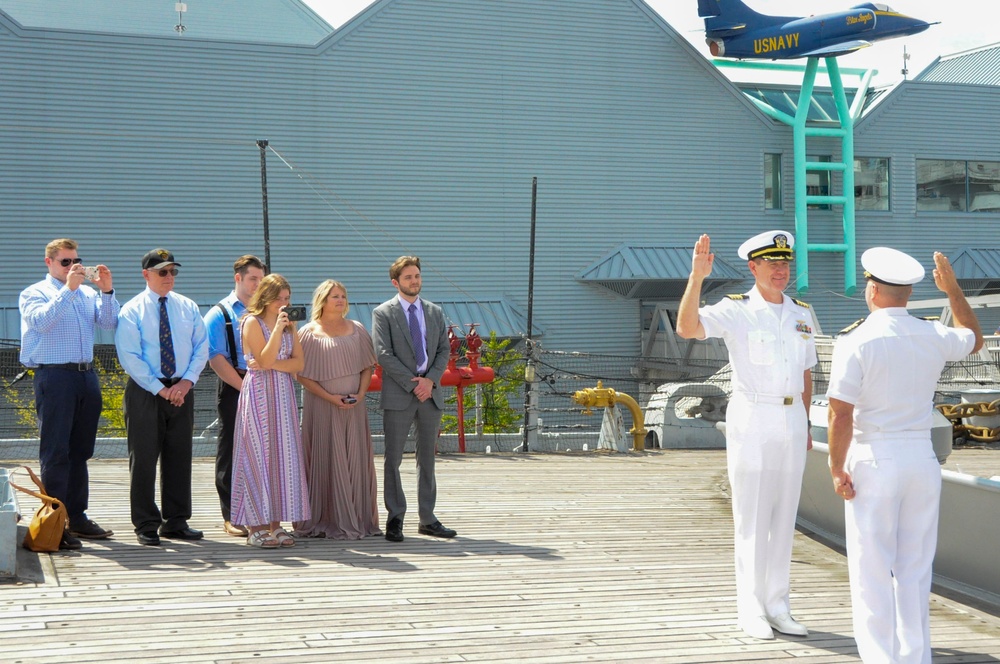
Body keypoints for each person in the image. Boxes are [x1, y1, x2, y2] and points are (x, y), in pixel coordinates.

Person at [827, 248, 982, 664]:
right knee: (914, 568)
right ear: (909, 293)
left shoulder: (855, 339)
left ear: (872, 290)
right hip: (921, 457)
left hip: (875, 457)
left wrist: (836, 467)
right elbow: (974, 338)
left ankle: (881, 658)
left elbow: (840, 413)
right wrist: (953, 292)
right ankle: (916, 657)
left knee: (871, 568)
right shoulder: (932, 333)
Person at [676, 231, 816, 640]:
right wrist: (696, 278)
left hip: (791, 418)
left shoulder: (802, 313)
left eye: (785, 263)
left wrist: (805, 421)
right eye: (771, 263)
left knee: (784, 514)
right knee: (752, 517)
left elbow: (806, 372)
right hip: (753, 414)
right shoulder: (736, 309)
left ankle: (778, 605)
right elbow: (687, 327)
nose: (780, 270)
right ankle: (750, 608)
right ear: (753, 268)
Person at [19, 238, 120, 550]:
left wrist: (107, 291)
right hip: (54, 375)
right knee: (56, 451)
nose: (73, 267)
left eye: (76, 261)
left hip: (85, 374)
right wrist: (69, 290)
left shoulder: (86, 293)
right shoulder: (35, 292)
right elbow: (42, 322)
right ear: (48, 262)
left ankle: (76, 515)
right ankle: (54, 520)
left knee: (81, 450)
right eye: (65, 262)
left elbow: (109, 322)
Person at [115, 249, 209, 546]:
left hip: (181, 389)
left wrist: (187, 382)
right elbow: (129, 356)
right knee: (143, 458)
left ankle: (176, 521)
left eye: (173, 272)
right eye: (163, 272)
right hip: (146, 391)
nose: (169, 277)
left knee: (179, 456)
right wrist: (161, 388)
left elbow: (201, 347)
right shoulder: (132, 310)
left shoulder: (188, 307)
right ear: (146, 275)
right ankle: (145, 522)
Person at [371, 255, 454, 542]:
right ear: (396, 282)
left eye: (416, 276)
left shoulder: (434, 311)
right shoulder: (383, 313)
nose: (414, 281)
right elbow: (383, 354)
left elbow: (444, 350)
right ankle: (395, 519)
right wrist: (414, 384)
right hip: (399, 394)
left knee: (427, 459)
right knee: (392, 458)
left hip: (430, 394)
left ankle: (427, 519)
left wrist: (429, 381)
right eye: (408, 277)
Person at [294, 280, 381, 539]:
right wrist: (330, 398)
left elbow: (368, 366)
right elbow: (301, 374)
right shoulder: (307, 333)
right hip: (321, 406)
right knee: (323, 456)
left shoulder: (358, 329)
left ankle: (357, 518)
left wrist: (361, 393)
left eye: (343, 295)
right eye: (335, 296)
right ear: (322, 299)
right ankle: (322, 518)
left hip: (354, 407)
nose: (340, 300)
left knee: (354, 458)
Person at [230, 273, 309, 548]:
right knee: (258, 454)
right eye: (279, 299)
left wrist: (272, 362)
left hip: (283, 394)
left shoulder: (289, 325)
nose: (284, 304)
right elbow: (261, 358)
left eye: (287, 299)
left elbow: (298, 363)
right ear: (266, 297)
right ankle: (256, 526)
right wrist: (276, 334)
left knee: (282, 456)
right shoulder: (251, 322)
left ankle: (276, 524)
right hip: (260, 395)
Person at [203, 254, 265, 537]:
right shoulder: (220, 312)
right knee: (231, 449)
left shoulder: (268, 310)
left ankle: (263, 512)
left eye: (261, 279)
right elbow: (216, 358)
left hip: (266, 382)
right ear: (238, 278)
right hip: (235, 382)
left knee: (265, 449)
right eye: (253, 279)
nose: (258, 284)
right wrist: (245, 387)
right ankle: (232, 515)